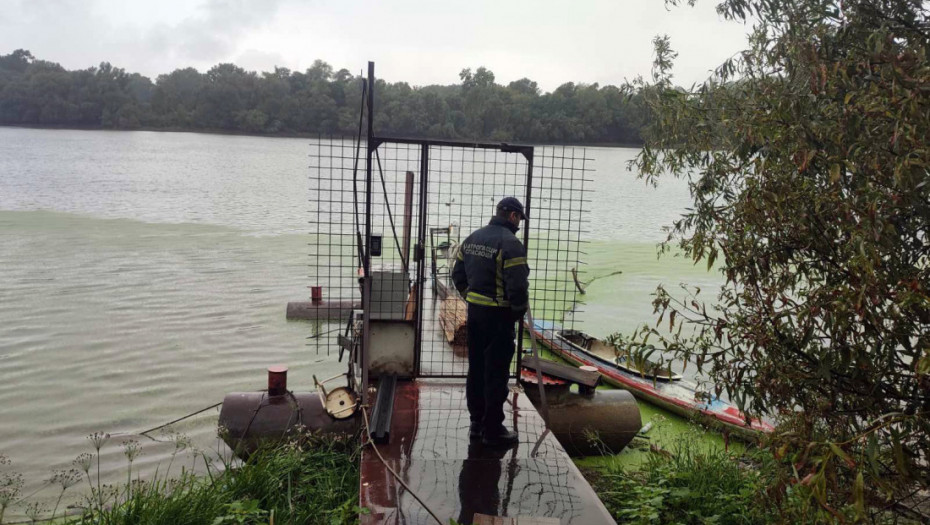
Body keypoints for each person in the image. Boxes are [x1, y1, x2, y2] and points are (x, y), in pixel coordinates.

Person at [451, 196, 530, 447]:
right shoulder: (511, 244)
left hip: (476, 315)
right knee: (496, 373)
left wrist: (470, 298)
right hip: (499, 317)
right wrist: (516, 313)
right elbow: (517, 287)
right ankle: (493, 429)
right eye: (519, 220)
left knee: (476, 369)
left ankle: (476, 423)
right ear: (513, 216)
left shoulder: (473, 238)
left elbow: (457, 275)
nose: (519, 224)